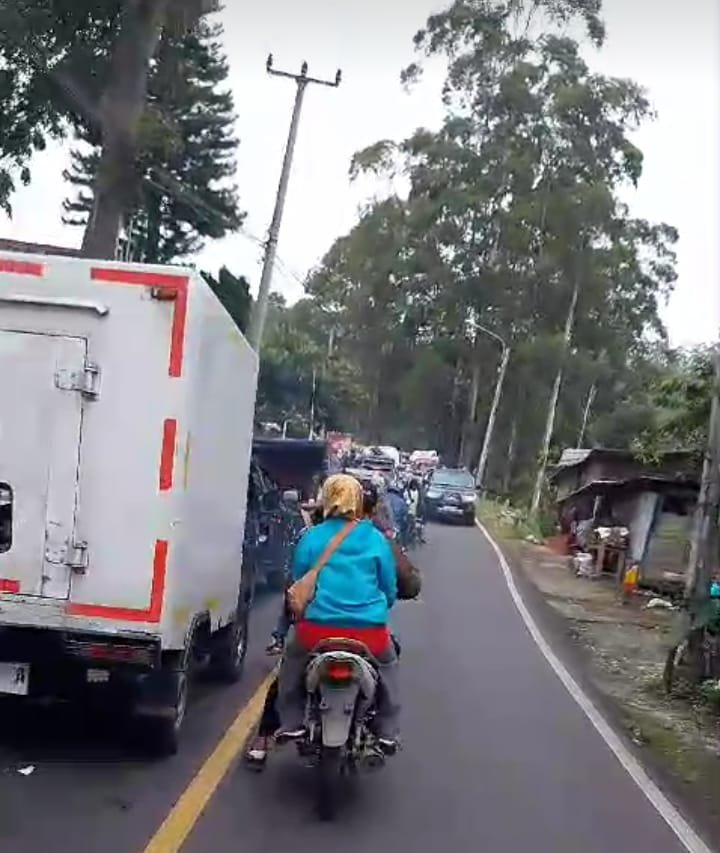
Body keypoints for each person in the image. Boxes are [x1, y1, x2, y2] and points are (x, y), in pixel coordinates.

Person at [246, 474, 401, 767]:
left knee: (291, 665)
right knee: (389, 666)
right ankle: (386, 729)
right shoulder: (376, 539)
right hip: (369, 633)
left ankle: (291, 721)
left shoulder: (311, 537)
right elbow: (390, 589)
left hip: (317, 631)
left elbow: (297, 580)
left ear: (326, 499)